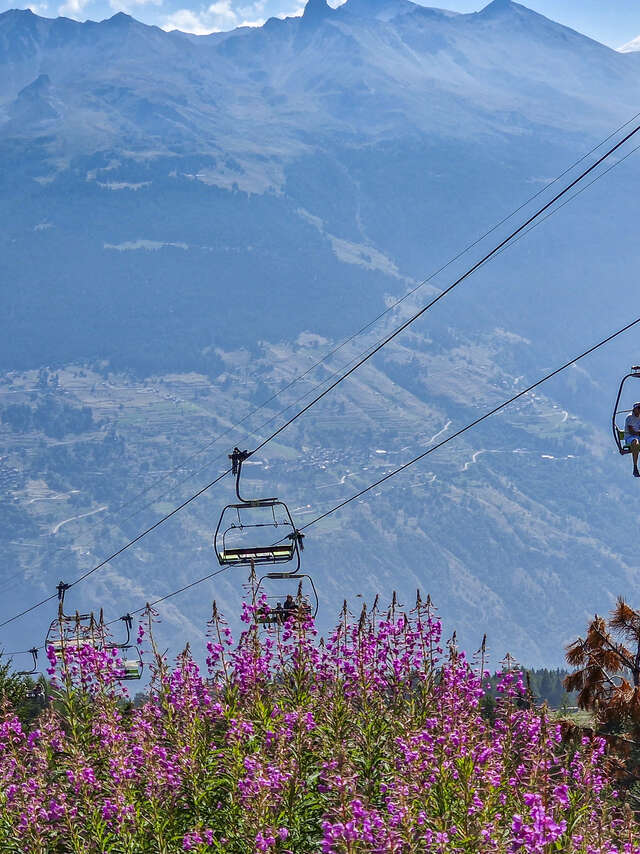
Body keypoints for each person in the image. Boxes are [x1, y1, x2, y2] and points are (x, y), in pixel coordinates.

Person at [625, 402, 640, 477]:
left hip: (638, 436)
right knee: (635, 442)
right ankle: (635, 467)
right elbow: (631, 432)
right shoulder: (630, 417)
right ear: (635, 409)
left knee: (637, 441)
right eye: (639, 408)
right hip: (630, 438)